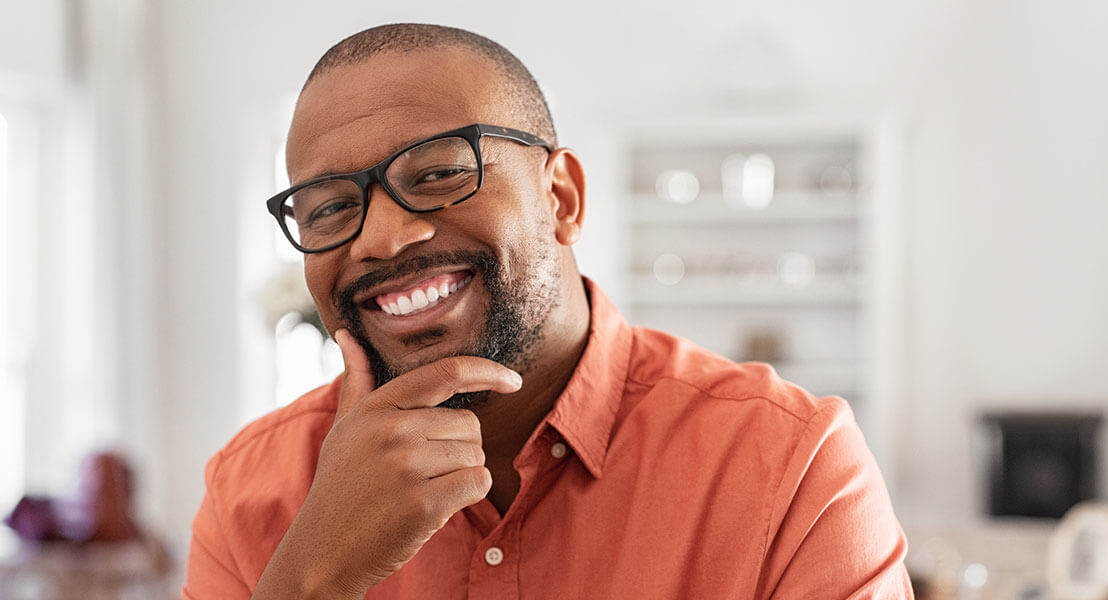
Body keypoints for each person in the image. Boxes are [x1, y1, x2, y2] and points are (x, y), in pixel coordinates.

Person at [183, 23, 912, 599]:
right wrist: (312, 581)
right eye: (332, 207)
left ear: (560, 199)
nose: (380, 238)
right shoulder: (252, 492)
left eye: (438, 173)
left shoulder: (789, 470)